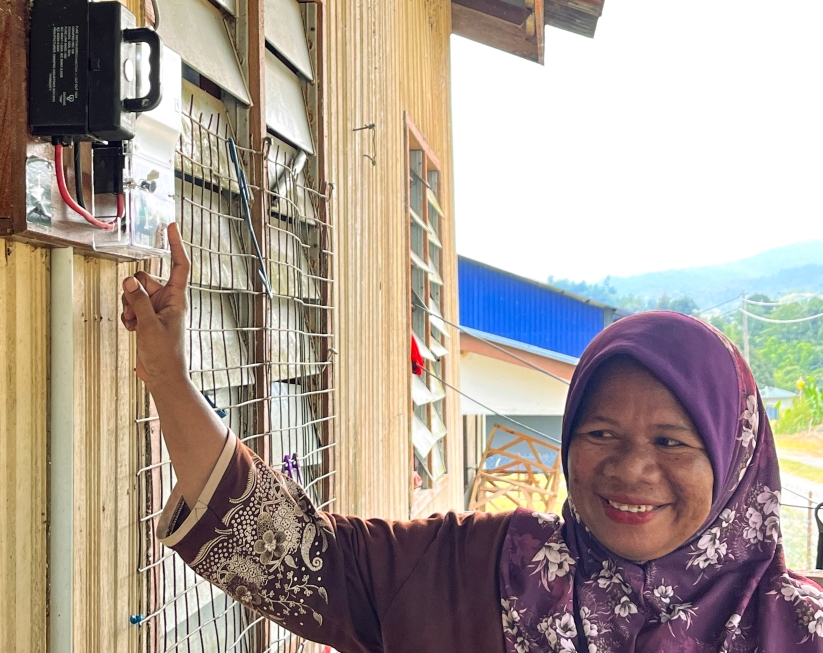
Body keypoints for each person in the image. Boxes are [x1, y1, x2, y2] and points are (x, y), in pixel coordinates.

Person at [120, 223, 823, 652]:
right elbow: (295, 556)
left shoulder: (798, 630)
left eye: (672, 441)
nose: (631, 467)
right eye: (601, 431)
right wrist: (169, 378)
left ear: (734, 462)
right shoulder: (485, 570)